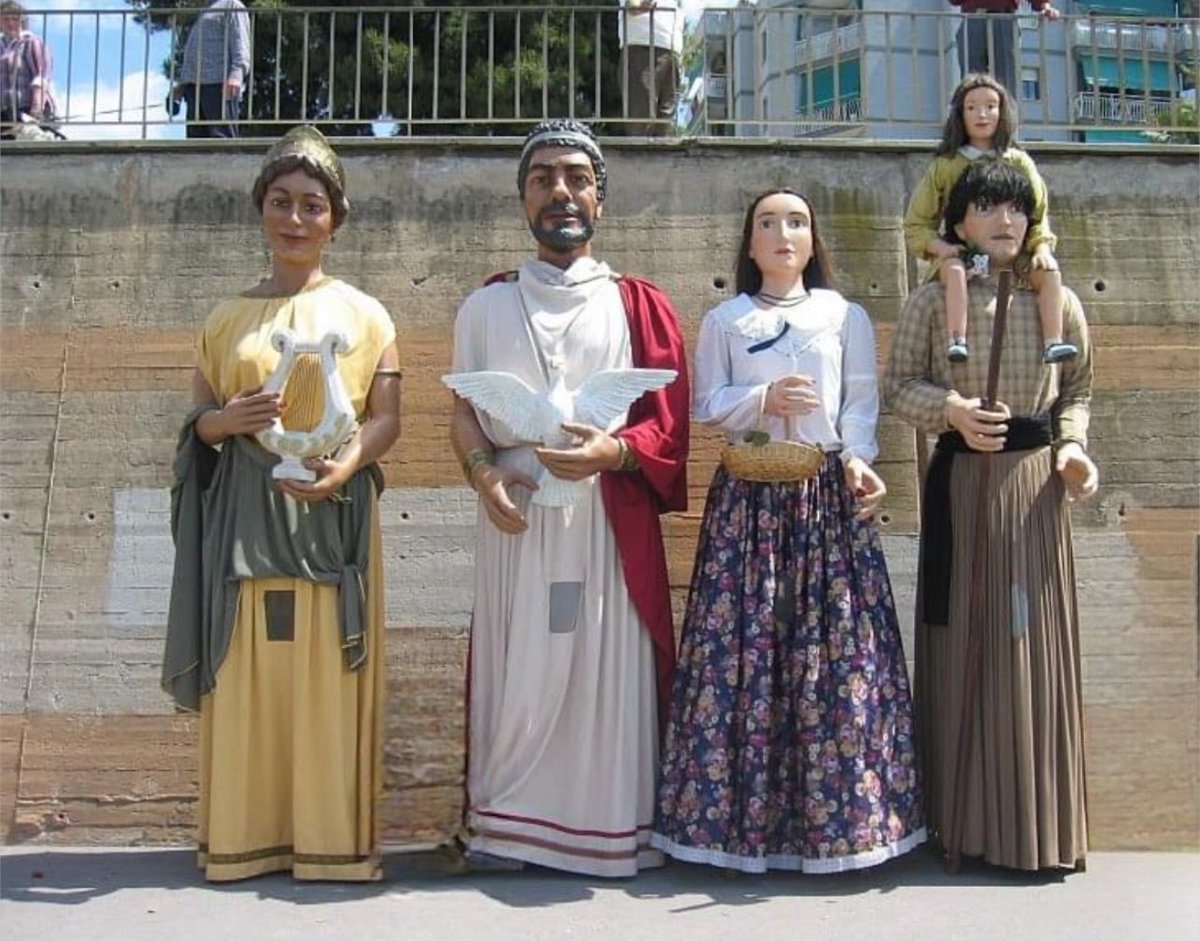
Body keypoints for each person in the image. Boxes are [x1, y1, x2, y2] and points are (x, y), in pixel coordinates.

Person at [651, 189, 926, 874]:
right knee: (739, 655)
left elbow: (859, 400)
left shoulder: (844, 315)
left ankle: (843, 826)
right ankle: (733, 827)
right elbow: (706, 405)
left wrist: (862, 463)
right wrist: (762, 399)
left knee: (834, 656)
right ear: (749, 244)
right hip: (747, 499)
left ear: (812, 241)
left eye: (796, 222)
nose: (782, 232)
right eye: (767, 222)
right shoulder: (725, 319)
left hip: (825, 495)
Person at [448, 119, 690, 877]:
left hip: (602, 516)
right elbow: (462, 414)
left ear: (600, 199)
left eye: (577, 177)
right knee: (518, 670)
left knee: (602, 668)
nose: (561, 191)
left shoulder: (638, 305)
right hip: (518, 515)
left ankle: (610, 824)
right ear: (523, 198)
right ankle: (506, 827)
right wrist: (485, 476)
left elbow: (669, 427)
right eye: (543, 177)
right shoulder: (484, 306)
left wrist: (612, 450)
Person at [162, 125, 401, 882]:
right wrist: (220, 422)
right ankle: (241, 836)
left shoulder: (367, 315)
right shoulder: (225, 319)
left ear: (335, 218)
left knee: (328, 675)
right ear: (260, 210)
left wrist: (344, 467)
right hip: (244, 519)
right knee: (246, 675)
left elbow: (387, 416)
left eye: (311, 205)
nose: (294, 219)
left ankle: (332, 844)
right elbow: (198, 417)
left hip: (332, 517)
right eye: (280, 202)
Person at [884, 159, 1097, 872]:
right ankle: (960, 826)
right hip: (960, 486)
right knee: (960, 642)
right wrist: (949, 409)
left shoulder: (1057, 299)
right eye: (986, 208)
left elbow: (1078, 391)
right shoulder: (929, 301)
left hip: (1032, 492)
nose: (1003, 220)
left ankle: (1034, 831)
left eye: (1015, 208)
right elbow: (899, 387)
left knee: (1022, 640)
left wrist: (1072, 450)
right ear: (959, 222)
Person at [904, 73, 1075, 365]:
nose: (982, 115)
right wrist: (944, 249)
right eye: (971, 107)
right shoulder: (946, 166)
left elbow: (1038, 213)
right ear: (960, 114)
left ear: (1003, 111)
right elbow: (916, 224)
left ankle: (1053, 342)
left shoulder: (1018, 162)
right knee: (955, 272)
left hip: (1015, 254)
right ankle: (957, 339)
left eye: (990, 106)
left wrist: (1042, 248)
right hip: (962, 250)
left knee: (1050, 274)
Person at [170, 0, 251, 139]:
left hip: (219, 84)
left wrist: (237, 74)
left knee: (222, 139)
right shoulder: (204, 11)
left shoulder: (232, 5)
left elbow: (240, 43)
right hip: (194, 87)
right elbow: (193, 52)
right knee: (196, 142)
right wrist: (182, 85)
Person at [948, 0, 1061, 97]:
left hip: (1004, 17)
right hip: (973, 17)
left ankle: (1006, 119)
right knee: (972, 79)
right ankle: (971, 117)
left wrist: (1045, 6)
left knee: (1006, 78)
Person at [618, 0, 683, 136]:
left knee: (665, 120)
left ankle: (661, 155)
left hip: (671, 48)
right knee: (641, 119)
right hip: (642, 45)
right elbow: (632, 6)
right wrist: (644, 5)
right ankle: (640, 156)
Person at [0, 1, 55, 137]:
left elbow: (41, 76)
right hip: (6, 111)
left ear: (23, 22)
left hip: (27, 108)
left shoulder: (32, 42)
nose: (10, 23)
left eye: (15, 19)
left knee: (34, 138)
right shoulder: (1, 46)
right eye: (5, 19)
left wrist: (36, 107)